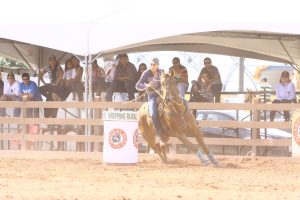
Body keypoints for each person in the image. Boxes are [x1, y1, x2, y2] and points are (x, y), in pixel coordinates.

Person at [136, 57, 164, 144]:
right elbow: (137, 85)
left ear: (158, 65)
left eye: (154, 64)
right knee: (153, 113)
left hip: (163, 95)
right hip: (152, 96)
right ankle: (159, 134)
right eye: (151, 64)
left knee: (178, 102)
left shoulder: (162, 72)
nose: (152, 66)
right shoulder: (146, 73)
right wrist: (147, 85)